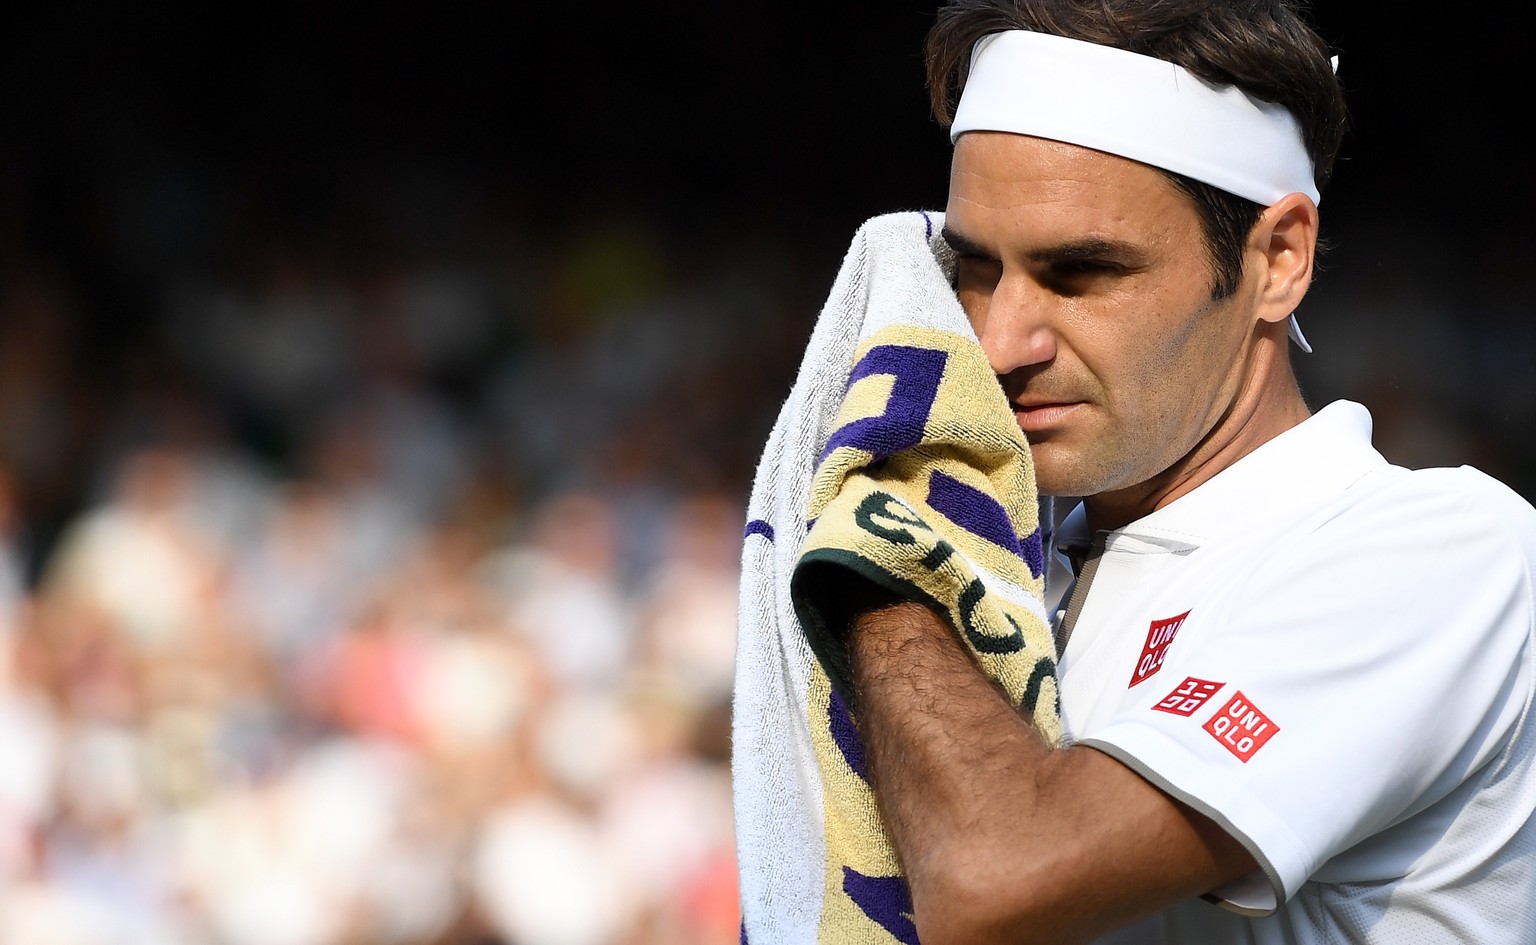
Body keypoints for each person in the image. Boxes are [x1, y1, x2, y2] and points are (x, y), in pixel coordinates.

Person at [834, 1, 1536, 943]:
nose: (999, 341)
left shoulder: (1447, 550)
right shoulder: (1009, 555)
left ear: (1279, 258)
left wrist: (875, 564)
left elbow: (994, 883)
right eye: (973, 268)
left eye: (1081, 271)